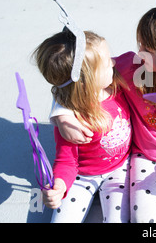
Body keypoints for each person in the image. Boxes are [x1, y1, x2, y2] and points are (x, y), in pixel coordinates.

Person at [51, 0, 156, 223]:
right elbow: (81, 78)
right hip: (143, 155)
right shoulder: (130, 68)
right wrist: (62, 115)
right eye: (140, 44)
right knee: (141, 218)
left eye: (147, 50)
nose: (138, 53)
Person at [33, 29, 132, 223]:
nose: (113, 62)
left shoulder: (116, 84)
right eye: (106, 64)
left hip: (120, 170)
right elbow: (66, 161)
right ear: (87, 82)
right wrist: (59, 186)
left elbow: (133, 60)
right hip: (82, 177)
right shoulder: (72, 120)